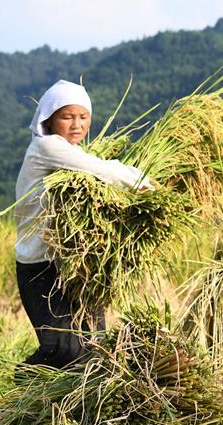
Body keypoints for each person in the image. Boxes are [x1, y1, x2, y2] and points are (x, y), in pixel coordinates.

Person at [15, 80, 152, 368]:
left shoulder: (71, 152)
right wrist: (143, 183)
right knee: (65, 349)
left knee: (94, 347)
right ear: (49, 119)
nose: (77, 125)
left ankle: (74, 409)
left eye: (83, 117)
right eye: (67, 117)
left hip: (76, 264)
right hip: (41, 265)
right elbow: (100, 169)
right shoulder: (47, 147)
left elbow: (94, 167)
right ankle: (25, 378)